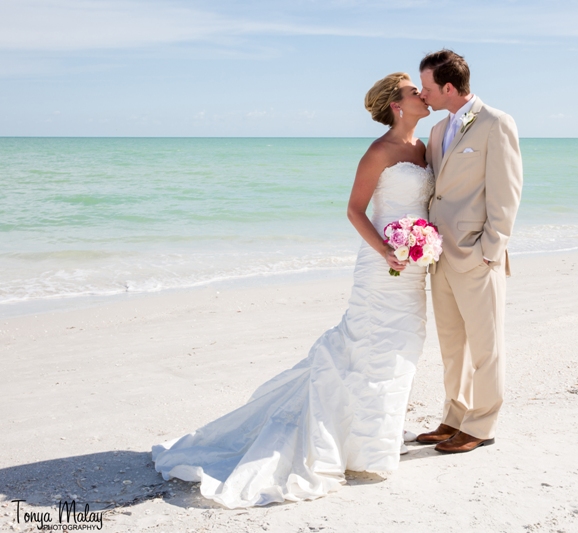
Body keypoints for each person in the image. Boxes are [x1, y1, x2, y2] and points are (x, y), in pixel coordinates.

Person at [152, 72, 433, 508]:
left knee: (403, 347)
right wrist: (385, 250)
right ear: (397, 105)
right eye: (416, 92)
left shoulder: (425, 148)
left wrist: (423, 243)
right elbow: (355, 210)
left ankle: (374, 440)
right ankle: (358, 446)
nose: (424, 95)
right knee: (368, 346)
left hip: (413, 268)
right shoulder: (379, 151)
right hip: (382, 267)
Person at [415, 50, 523, 454]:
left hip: (477, 255)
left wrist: (490, 250)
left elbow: (506, 193)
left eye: (427, 87)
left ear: (447, 87)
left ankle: (481, 424)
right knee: (452, 344)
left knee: (485, 345)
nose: (423, 95)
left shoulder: (496, 123)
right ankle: (454, 417)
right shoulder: (439, 130)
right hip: (439, 255)